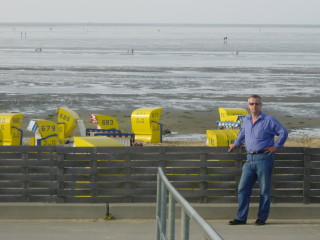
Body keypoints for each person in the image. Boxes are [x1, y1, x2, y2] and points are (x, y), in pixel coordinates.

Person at [228, 94, 288, 226]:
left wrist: (276, 146)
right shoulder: (246, 119)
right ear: (248, 105)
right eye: (251, 104)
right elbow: (242, 133)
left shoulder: (269, 120)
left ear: (261, 105)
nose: (254, 106)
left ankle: (261, 218)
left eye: (256, 103)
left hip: (263, 158)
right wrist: (235, 144)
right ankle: (241, 218)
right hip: (249, 159)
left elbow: (283, 132)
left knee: (264, 190)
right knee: (242, 189)